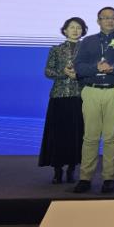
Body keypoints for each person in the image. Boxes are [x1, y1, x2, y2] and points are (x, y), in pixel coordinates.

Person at [73, 7, 114, 194]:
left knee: (111, 137)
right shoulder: (88, 41)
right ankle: (85, 178)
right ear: (98, 21)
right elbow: (79, 66)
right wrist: (97, 67)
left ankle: (109, 178)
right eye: (105, 18)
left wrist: (113, 67)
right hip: (92, 91)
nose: (110, 21)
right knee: (90, 137)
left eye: (113, 18)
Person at [39, 17, 87, 184]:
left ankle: (72, 169)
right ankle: (57, 170)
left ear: (83, 31)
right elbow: (48, 71)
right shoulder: (56, 49)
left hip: (79, 96)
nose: (75, 30)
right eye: (71, 27)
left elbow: (91, 71)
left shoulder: (87, 49)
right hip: (58, 97)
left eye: (78, 27)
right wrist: (63, 72)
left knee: (76, 134)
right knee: (57, 134)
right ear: (65, 30)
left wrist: (78, 75)